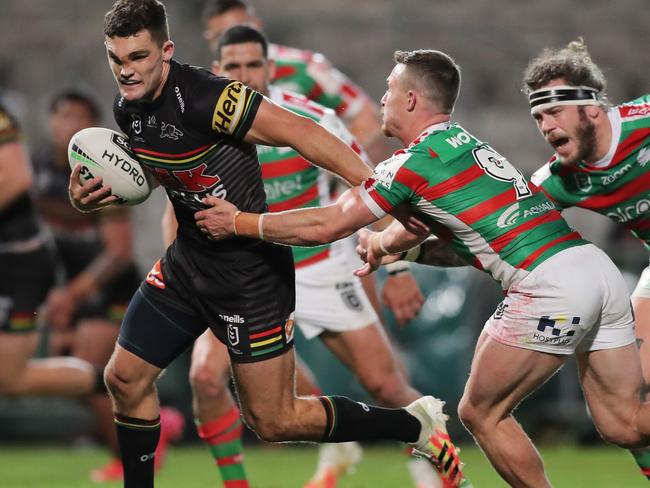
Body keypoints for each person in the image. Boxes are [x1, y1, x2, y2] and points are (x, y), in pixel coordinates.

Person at [196, 48, 650, 487]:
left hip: (550, 285)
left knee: (479, 412)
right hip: (597, 271)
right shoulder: (464, 145)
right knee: (625, 425)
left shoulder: (409, 164)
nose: (382, 100)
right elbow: (463, 244)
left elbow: (327, 224)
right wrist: (399, 249)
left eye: (389, 90)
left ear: (410, 99)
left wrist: (240, 222)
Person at [69, 3, 465, 487]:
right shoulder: (128, 106)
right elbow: (161, 170)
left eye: (138, 56)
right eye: (116, 58)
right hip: (189, 265)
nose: (126, 70)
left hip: (250, 277)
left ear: (166, 51)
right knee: (124, 379)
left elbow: (300, 130)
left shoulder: (209, 97)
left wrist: (376, 191)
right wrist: (98, 193)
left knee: (275, 421)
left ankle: (413, 423)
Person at [162, 24, 442, 488]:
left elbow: (370, 190)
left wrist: (399, 267)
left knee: (384, 384)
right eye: (234, 66)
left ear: (271, 69)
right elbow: (176, 211)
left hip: (318, 265)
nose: (246, 74)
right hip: (241, 274)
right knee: (206, 378)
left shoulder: (310, 120)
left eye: (255, 64)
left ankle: (435, 458)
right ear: (217, 71)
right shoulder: (196, 127)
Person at [200, 0, 425, 327]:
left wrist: (334, 166)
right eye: (224, 34)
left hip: (321, 223)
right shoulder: (203, 104)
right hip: (245, 259)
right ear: (213, 46)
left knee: (378, 367)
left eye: (244, 27)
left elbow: (366, 119)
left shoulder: (305, 71)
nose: (244, 75)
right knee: (210, 373)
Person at [31, 89, 184, 483]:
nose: (68, 123)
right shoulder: (38, 171)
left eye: (78, 117)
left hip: (111, 290)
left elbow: (118, 253)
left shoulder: (103, 168)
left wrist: (70, 294)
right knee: (76, 375)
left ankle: (139, 443)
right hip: (72, 290)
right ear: (50, 122)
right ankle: (152, 425)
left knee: (88, 365)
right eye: (62, 115)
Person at [522, 38, 650, 481]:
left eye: (554, 111)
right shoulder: (559, 180)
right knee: (621, 418)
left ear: (591, 109)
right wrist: (409, 249)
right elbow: (499, 229)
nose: (545, 125)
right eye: (539, 116)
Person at [0, 97, 104, 399]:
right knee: (8, 380)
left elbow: (17, 178)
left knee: (9, 378)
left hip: (19, 265)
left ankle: (122, 383)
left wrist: (74, 292)